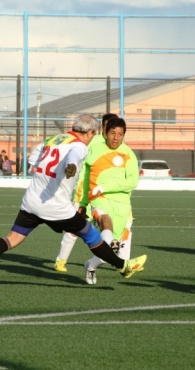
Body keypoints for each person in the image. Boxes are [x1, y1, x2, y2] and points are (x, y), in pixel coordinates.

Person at [0, 114, 147, 294]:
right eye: (93, 134)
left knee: (12, 239)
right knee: (91, 235)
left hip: (32, 201)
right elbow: (74, 155)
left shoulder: (54, 139)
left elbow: (33, 159)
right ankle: (123, 267)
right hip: (56, 207)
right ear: (89, 132)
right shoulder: (80, 146)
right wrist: (70, 166)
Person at [54, 113, 119, 273]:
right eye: (108, 126)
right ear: (102, 127)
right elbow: (83, 166)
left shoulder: (113, 145)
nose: (110, 131)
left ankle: (109, 258)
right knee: (75, 226)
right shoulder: (92, 141)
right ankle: (61, 260)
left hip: (100, 194)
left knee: (106, 223)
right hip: (84, 190)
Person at [80, 117, 139, 284]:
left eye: (120, 134)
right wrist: (83, 203)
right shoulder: (93, 150)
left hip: (123, 205)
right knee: (106, 225)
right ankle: (105, 247)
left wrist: (106, 186)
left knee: (115, 255)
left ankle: (90, 265)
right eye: (112, 133)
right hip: (100, 200)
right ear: (105, 133)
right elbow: (84, 179)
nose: (116, 138)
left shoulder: (129, 154)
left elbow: (132, 182)